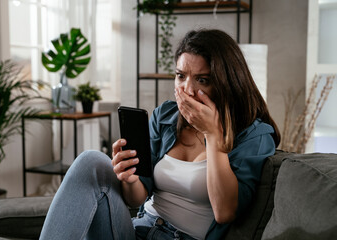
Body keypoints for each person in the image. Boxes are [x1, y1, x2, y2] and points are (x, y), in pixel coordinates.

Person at [40, 29, 280, 240]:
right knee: (91, 161)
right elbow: (136, 199)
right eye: (180, 76)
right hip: (138, 230)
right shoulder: (165, 116)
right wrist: (130, 178)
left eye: (202, 80)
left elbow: (225, 211)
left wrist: (213, 135)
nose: (187, 89)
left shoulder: (254, 134)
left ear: (226, 82)